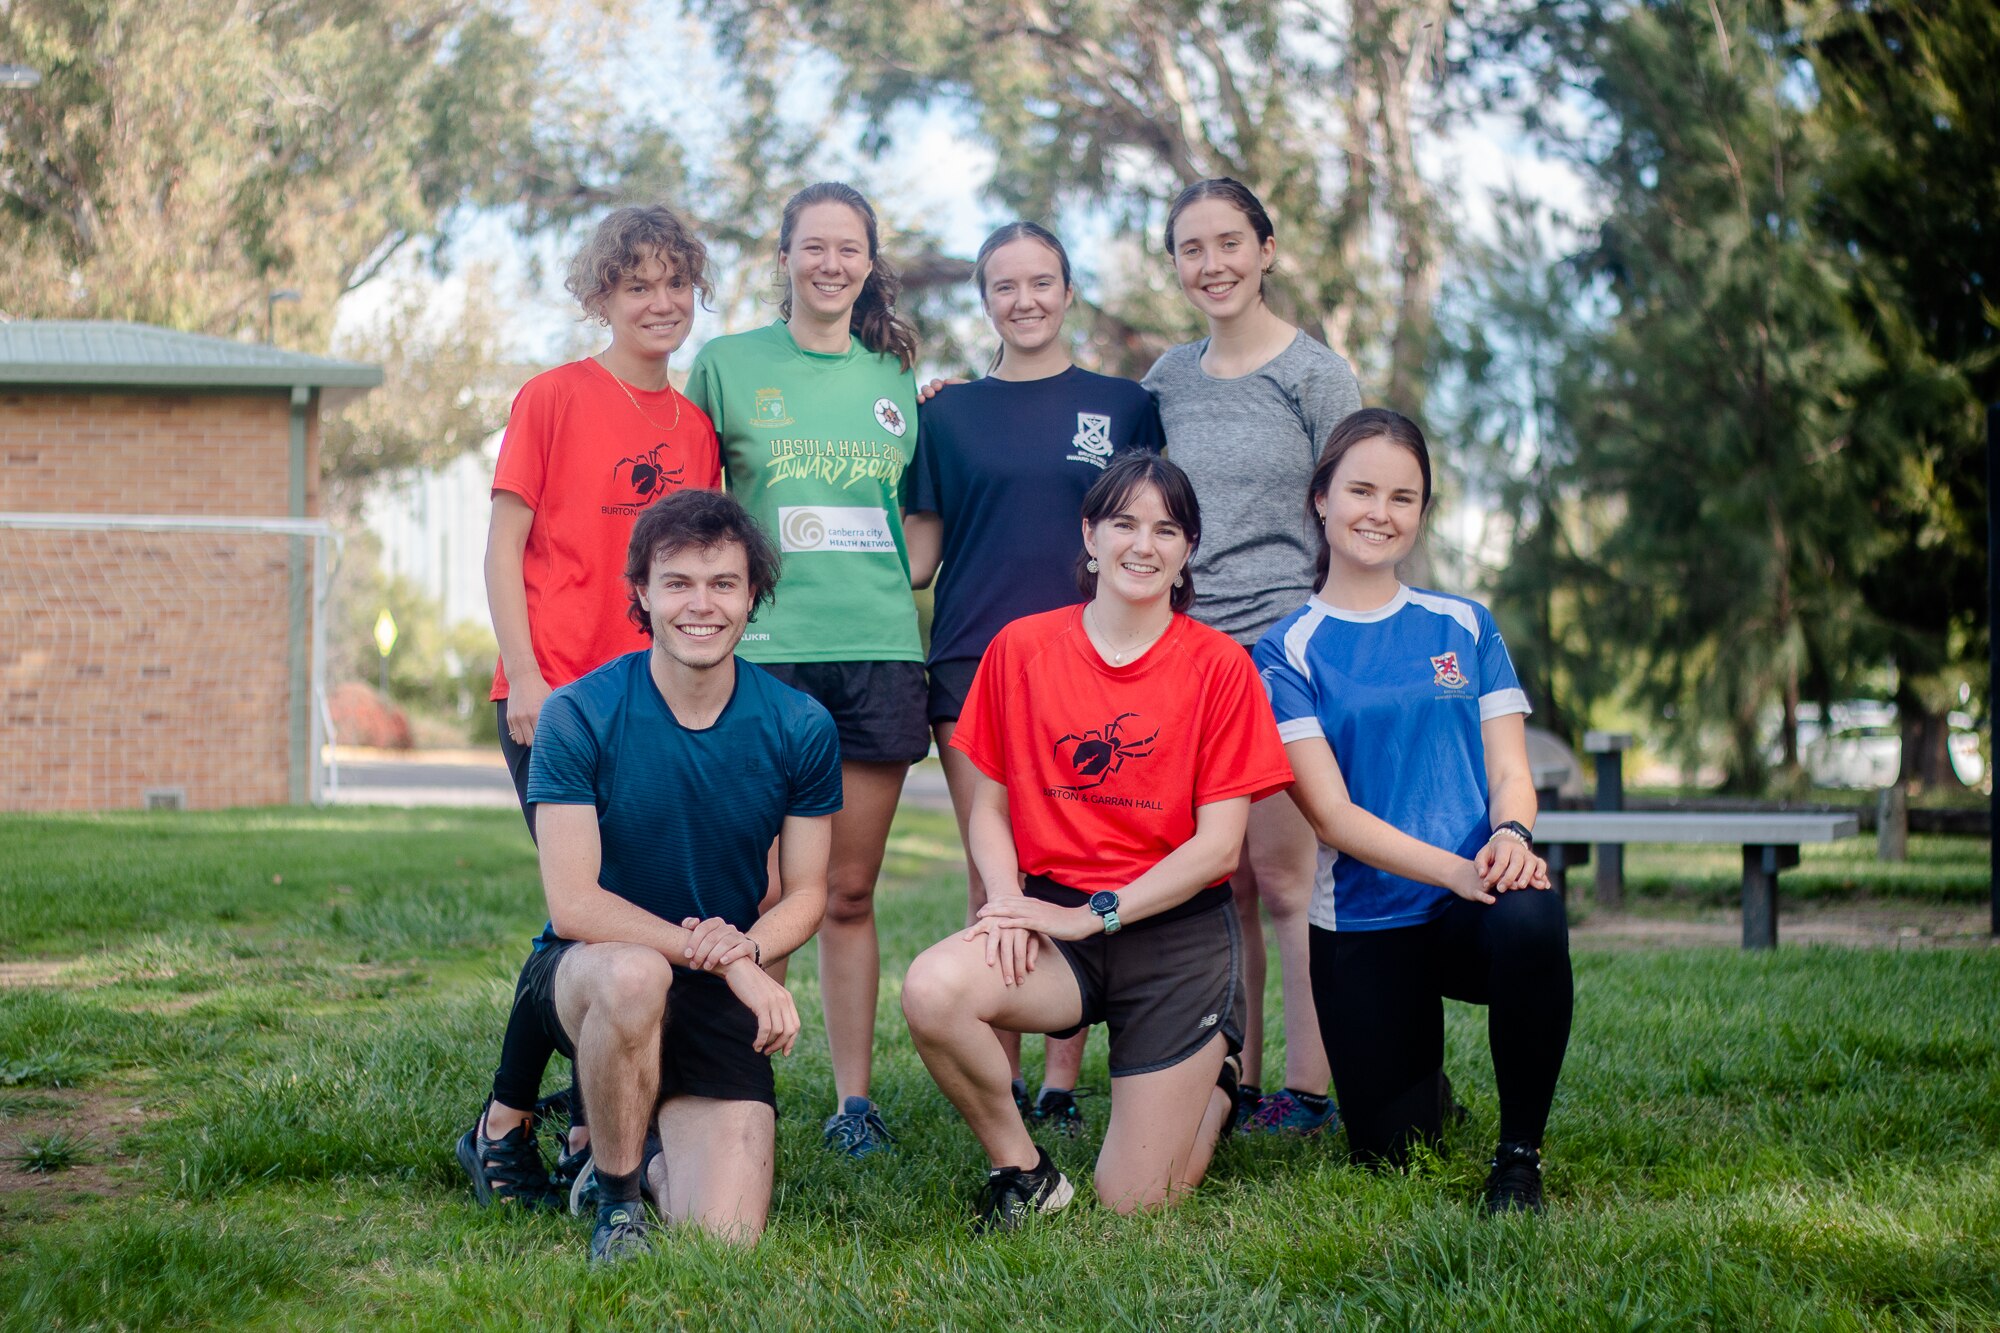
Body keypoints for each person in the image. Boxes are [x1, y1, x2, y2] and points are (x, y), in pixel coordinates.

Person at [902, 452, 1294, 1231]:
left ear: (1188, 549)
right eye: (1124, 523)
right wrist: (1007, 900)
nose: (1143, 544)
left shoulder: (1221, 667)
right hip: (1060, 931)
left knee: (1138, 1200)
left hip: (1177, 939)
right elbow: (988, 807)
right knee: (931, 988)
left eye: (1167, 529)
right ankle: (1024, 1171)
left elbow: (1220, 849)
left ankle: (1215, 1084)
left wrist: (1093, 914)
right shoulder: (1021, 648)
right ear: (1089, 534)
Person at [458, 204, 722, 1209]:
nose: (660, 301)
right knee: (580, 910)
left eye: (675, 282)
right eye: (637, 283)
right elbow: (503, 546)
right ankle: (502, 1123)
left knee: (625, 911)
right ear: (601, 295)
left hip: (650, 707)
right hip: (555, 697)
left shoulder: (695, 429)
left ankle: (585, 1121)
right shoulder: (553, 398)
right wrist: (526, 674)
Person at [1252, 409, 1573, 1213]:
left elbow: (1510, 769)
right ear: (1321, 498)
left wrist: (1511, 834)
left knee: (1532, 913)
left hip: (1474, 904)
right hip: (1365, 923)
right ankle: (1425, 1083)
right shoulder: (1286, 649)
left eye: (1403, 497)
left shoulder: (1463, 623)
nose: (1380, 512)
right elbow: (1331, 816)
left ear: (1422, 511)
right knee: (1392, 1155)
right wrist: (1455, 871)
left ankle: (1518, 1159)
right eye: (1361, 490)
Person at [519, 489, 839, 1257]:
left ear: (753, 594)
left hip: (714, 990)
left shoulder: (800, 724)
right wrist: (732, 959)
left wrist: (749, 949)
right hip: (593, 972)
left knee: (724, 1239)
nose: (702, 604)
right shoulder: (578, 713)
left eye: (724, 583)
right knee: (637, 977)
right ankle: (617, 1201)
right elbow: (574, 904)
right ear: (642, 592)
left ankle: (647, 1142)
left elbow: (808, 893)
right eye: (678, 583)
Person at [904, 221, 1165, 1136]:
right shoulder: (947, 414)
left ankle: (1063, 1079)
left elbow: (1154, 529)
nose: (1025, 300)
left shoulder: (1125, 405)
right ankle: (1001, 1070)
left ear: (1068, 290)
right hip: (974, 662)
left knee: (1080, 863)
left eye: (1041, 281)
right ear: (984, 300)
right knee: (996, 871)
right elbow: (918, 558)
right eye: (1005, 286)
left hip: (1097, 663)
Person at [686, 182, 924, 1158]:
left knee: (847, 891)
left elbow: (918, 525)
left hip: (877, 652)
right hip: (766, 657)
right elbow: (694, 516)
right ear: (783, 255)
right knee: (765, 890)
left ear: (869, 262)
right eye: (813, 246)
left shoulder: (898, 375)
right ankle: (744, 1091)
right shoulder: (726, 365)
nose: (831, 263)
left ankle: (853, 1104)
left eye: (849, 248)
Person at [1141, 177, 1363, 1135]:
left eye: (1229, 242)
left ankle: (1307, 1090)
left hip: (1282, 653)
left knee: (1285, 879)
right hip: (1188, 654)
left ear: (1266, 250)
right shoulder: (1166, 380)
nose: (1213, 264)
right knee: (1215, 879)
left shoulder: (1317, 375)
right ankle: (1235, 1075)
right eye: (1192, 249)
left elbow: (1355, 510)